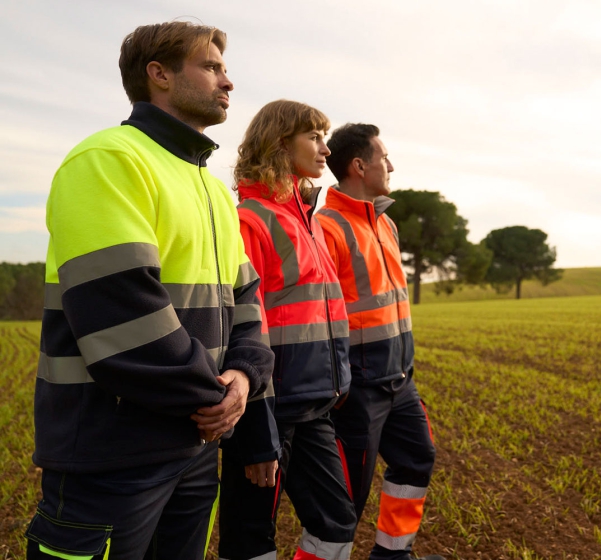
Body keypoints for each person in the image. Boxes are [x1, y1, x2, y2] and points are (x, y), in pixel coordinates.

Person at [25, 22, 274, 560]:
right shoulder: (109, 159)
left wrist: (244, 377)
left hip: (195, 446)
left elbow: (247, 302)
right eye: (211, 67)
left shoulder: (210, 186)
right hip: (112, 453)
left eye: (225, 69)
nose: (227, 81)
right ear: (158, 74)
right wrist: (219, 399)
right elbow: (122, 313)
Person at [218, 100, 357, 560]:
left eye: (325, 136)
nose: (326, 148)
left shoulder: (310, 221)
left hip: (313, 407)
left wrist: (337, 382)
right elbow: (244, 333)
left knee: (337, 525)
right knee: (250, 540)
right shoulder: (248, 220)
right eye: (314, 137)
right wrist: (257, 432)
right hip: (267, 411)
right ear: (280, 143)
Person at [315, 124, 441, 560]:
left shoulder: (385, 223)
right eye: (383, 157)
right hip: (357, 390)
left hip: (400, 380)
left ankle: (393, 555)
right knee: (344, 500)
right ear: (359, 165)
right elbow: (318, 316)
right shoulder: (325, 226)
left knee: (416, 460)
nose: (390, 165)